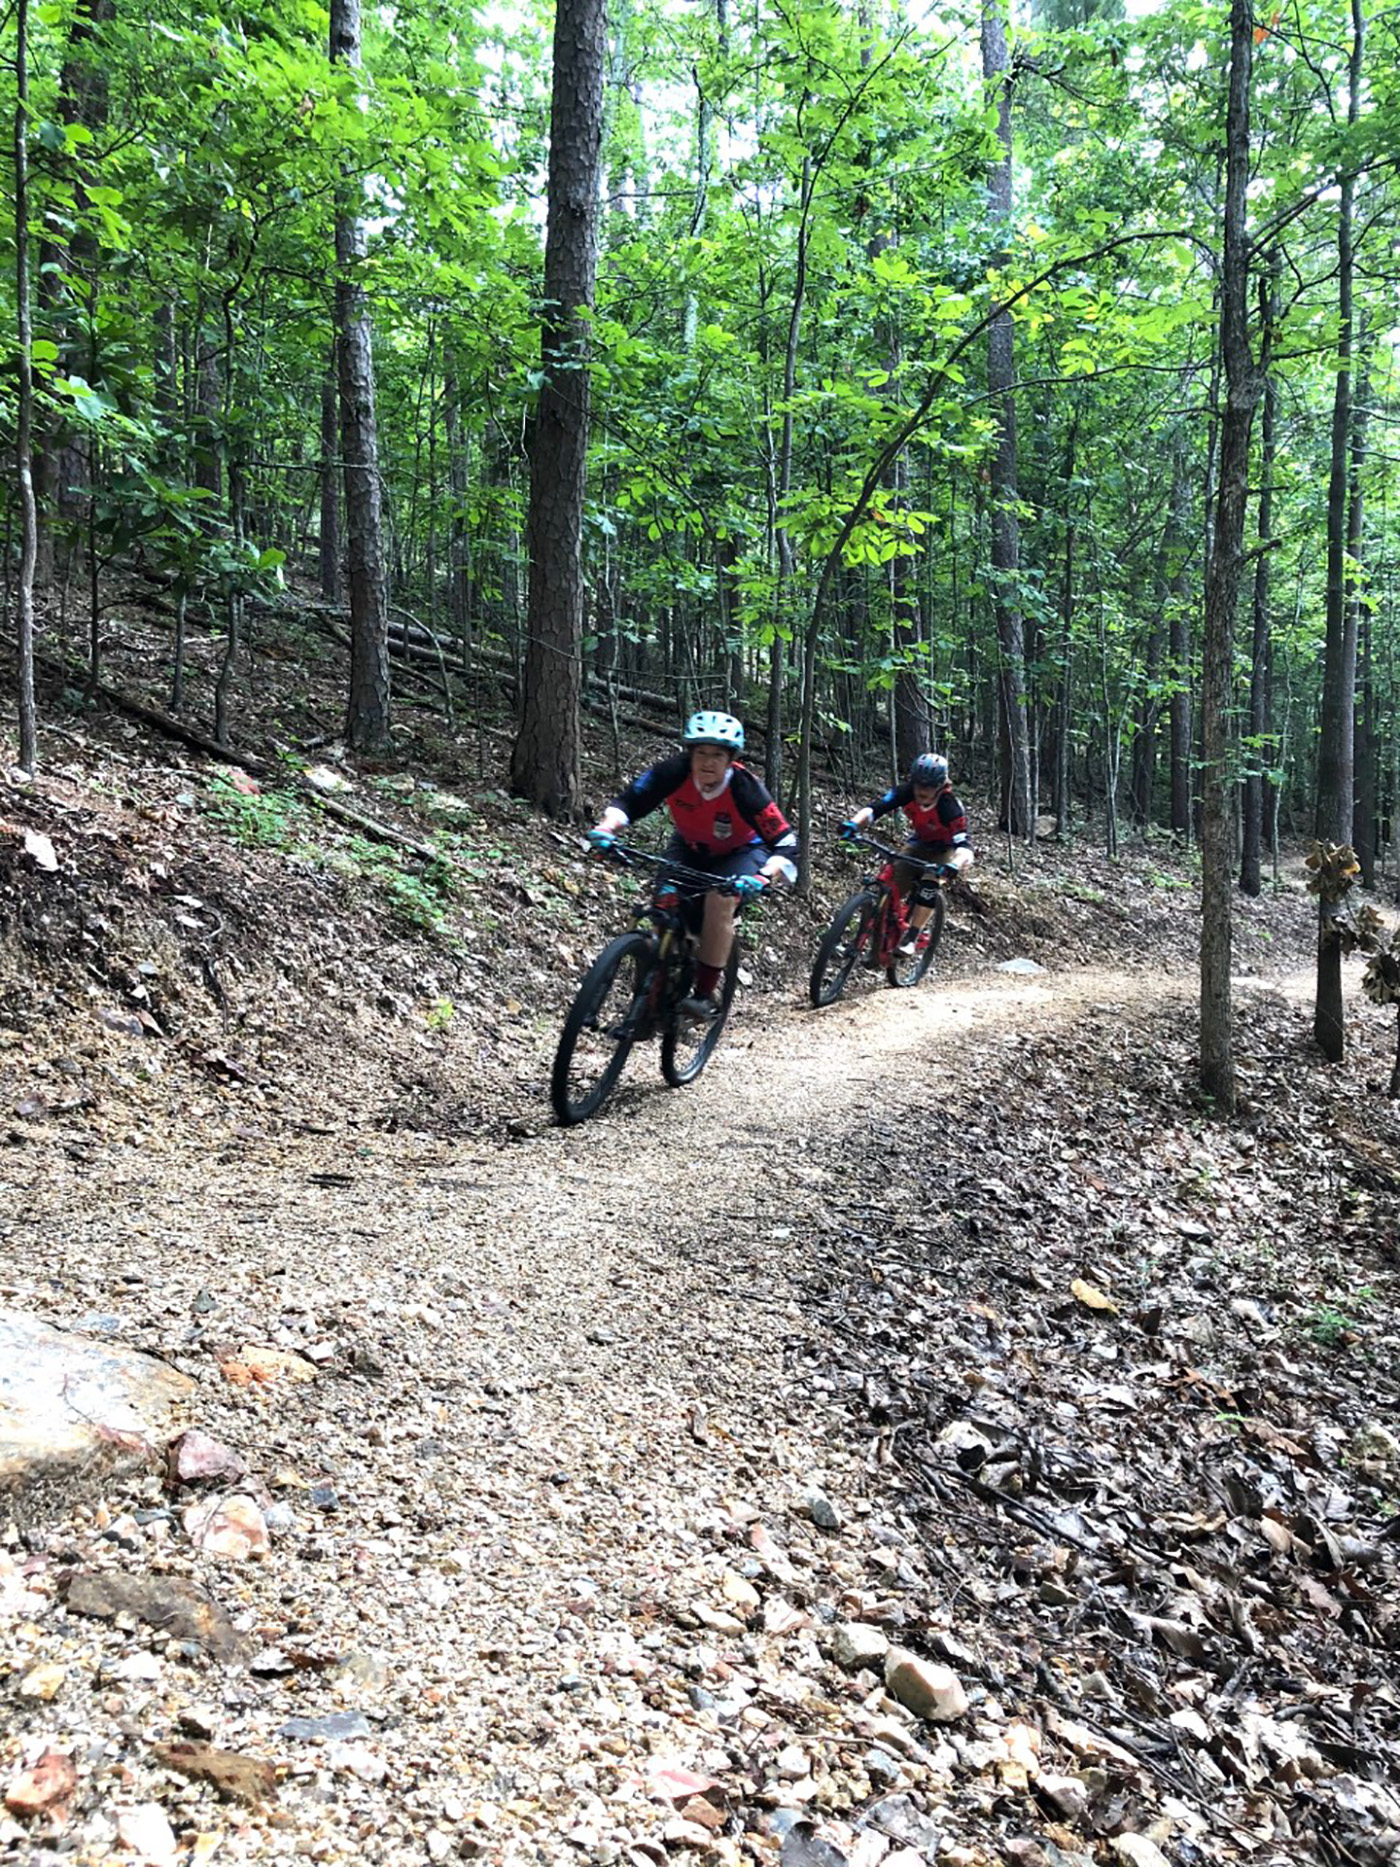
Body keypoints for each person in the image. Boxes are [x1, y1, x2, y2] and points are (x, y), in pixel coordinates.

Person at [589, 711, 799, 1017]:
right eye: (701, 752)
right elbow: (630, 802)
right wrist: (606, 829)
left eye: (717, 755)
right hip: (688, 847)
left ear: (730, 759)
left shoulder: (744, 787)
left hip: (741, 852)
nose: (708, 762)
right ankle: (654, 991)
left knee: (719, 898)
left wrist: (764, 876)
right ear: (690, 753)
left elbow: (784, 841)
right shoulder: (673, 771)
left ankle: (703, 995)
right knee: (664, 903)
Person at [844, 752, 972, 956]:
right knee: (887, 885)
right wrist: (853, 824)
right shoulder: (907, 792)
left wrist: (955, 865)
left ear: (940, 786)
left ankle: (912, 937)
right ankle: (863, 938)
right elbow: (876, 809)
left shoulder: (950, 806)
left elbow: (965, 846)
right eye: (918, 783)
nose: (922, 790)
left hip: (945, 851)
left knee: (929, 886)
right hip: (919, 843)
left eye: (929, 786)